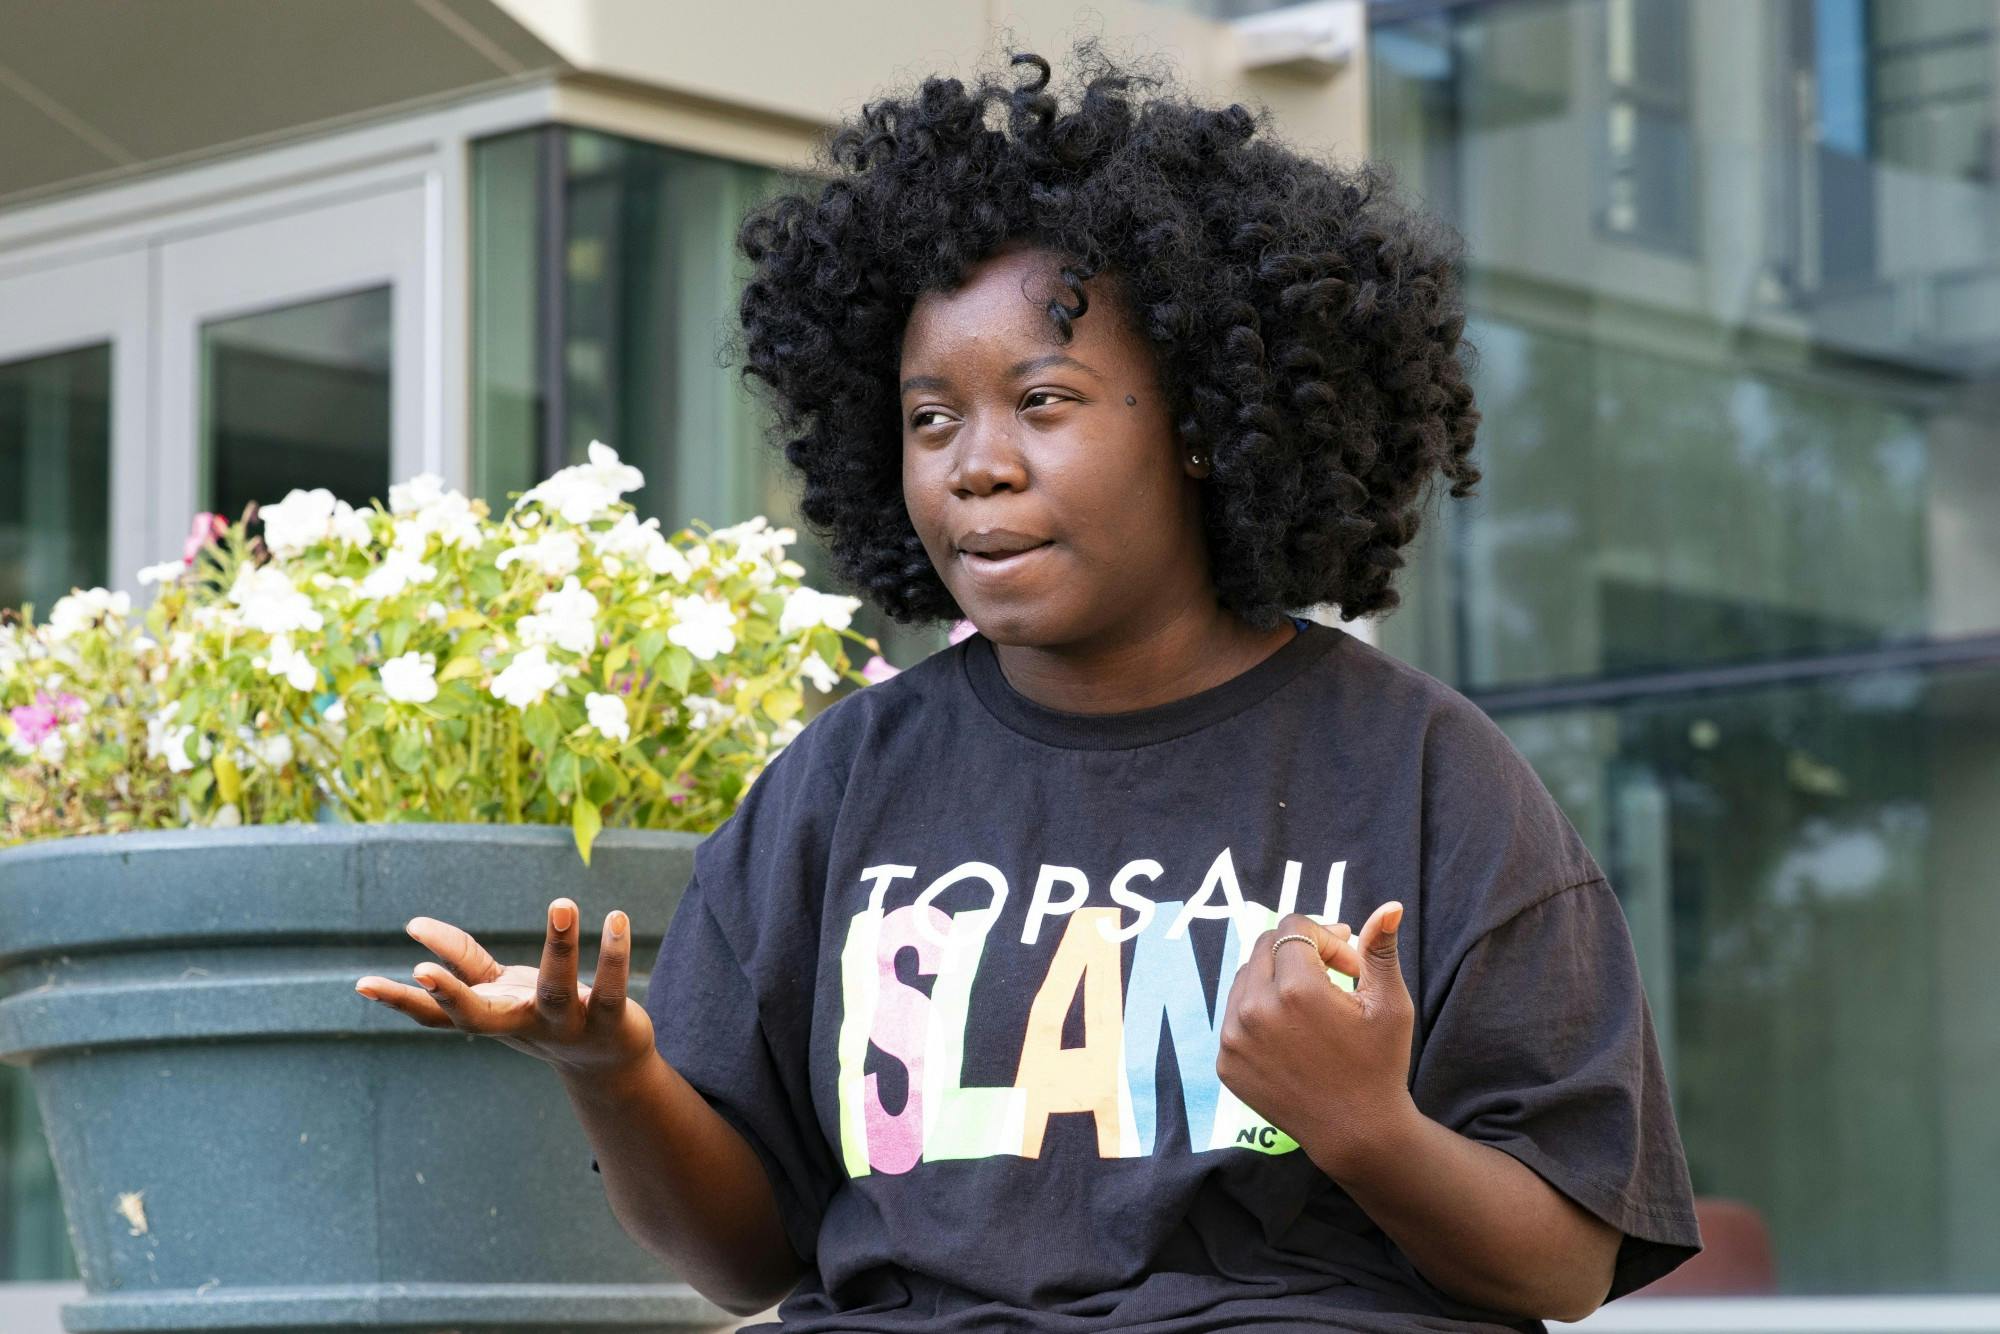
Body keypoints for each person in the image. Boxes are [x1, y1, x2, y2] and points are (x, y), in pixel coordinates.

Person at [356, 39, 1703, 1333]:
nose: (973, 464)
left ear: (1199, 426)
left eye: (1042, 402)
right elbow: (748, 1257)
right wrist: (616, 1073)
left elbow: (1566, 1258)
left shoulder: (1424, 777)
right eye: (930, 417)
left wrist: (1368, 1127)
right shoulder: (840, 788)